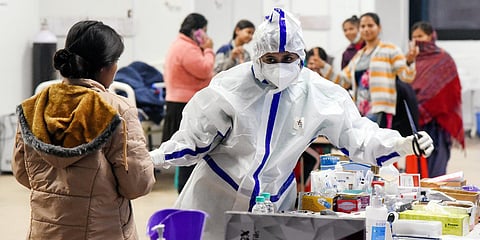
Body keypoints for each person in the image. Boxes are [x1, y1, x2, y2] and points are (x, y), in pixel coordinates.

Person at [149, 8, 434, 240]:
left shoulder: (317, 92)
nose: (280, 66)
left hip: (274, 201)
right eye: (270, 59)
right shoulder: (230, 87)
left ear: (301, 55)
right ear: (257, 56)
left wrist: (400, 144)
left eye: (289, 58)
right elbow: (193, 140)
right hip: (215, 194)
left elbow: (355, 134)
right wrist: (157, 157)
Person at [12, 20, 155, 239]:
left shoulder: (34, 107)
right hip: (103, 232)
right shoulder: (116, 109)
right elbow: (136, 184)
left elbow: (23, 173)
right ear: (105, 67)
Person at [317, 12, 418, 129]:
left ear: (379, 28)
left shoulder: (390, 50)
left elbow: (406, 76)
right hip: (360, 111)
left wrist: (409, 61)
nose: (366, 29)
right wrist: (323, 66)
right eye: (363, 26)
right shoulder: (358, 56)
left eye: (370, 25)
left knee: (378, 144)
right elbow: (344, 81)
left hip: (380, 109)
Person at [161, 13, 215, 194]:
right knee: (189, 153)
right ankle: (186, 192)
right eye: (205, 31)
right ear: (196, 31)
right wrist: (208, 49)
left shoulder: (178, 44)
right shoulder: (187, 48)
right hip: (185, 105)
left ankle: (185, 190)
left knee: (185, 153)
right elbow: (205, 70)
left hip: (177, 103)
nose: (206, 36)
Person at [410, 21, 465, 177]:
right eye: (414, 37)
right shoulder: (411, 60)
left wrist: (432, 104)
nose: (417, 41)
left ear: (430, 36)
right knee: (417, 170)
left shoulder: (443, 59)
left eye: (420, 36)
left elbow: (452, 91)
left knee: (436, 172)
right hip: (416, 122)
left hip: (437, 124)